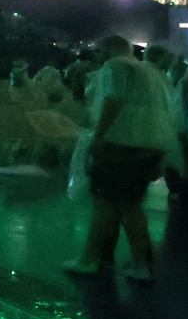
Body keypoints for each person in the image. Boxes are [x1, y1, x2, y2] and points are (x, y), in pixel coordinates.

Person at [65, 35, 176, 281]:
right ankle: (139, 262)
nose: (96, 57)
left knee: (109, 203)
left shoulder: (115, 66)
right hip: (148, 148)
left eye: (98, 52)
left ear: (109, 51)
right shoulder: (149, 71)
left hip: (120, 147)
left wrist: (99, 136)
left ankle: (93, 260)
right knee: (127, 205)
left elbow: (113, 99)